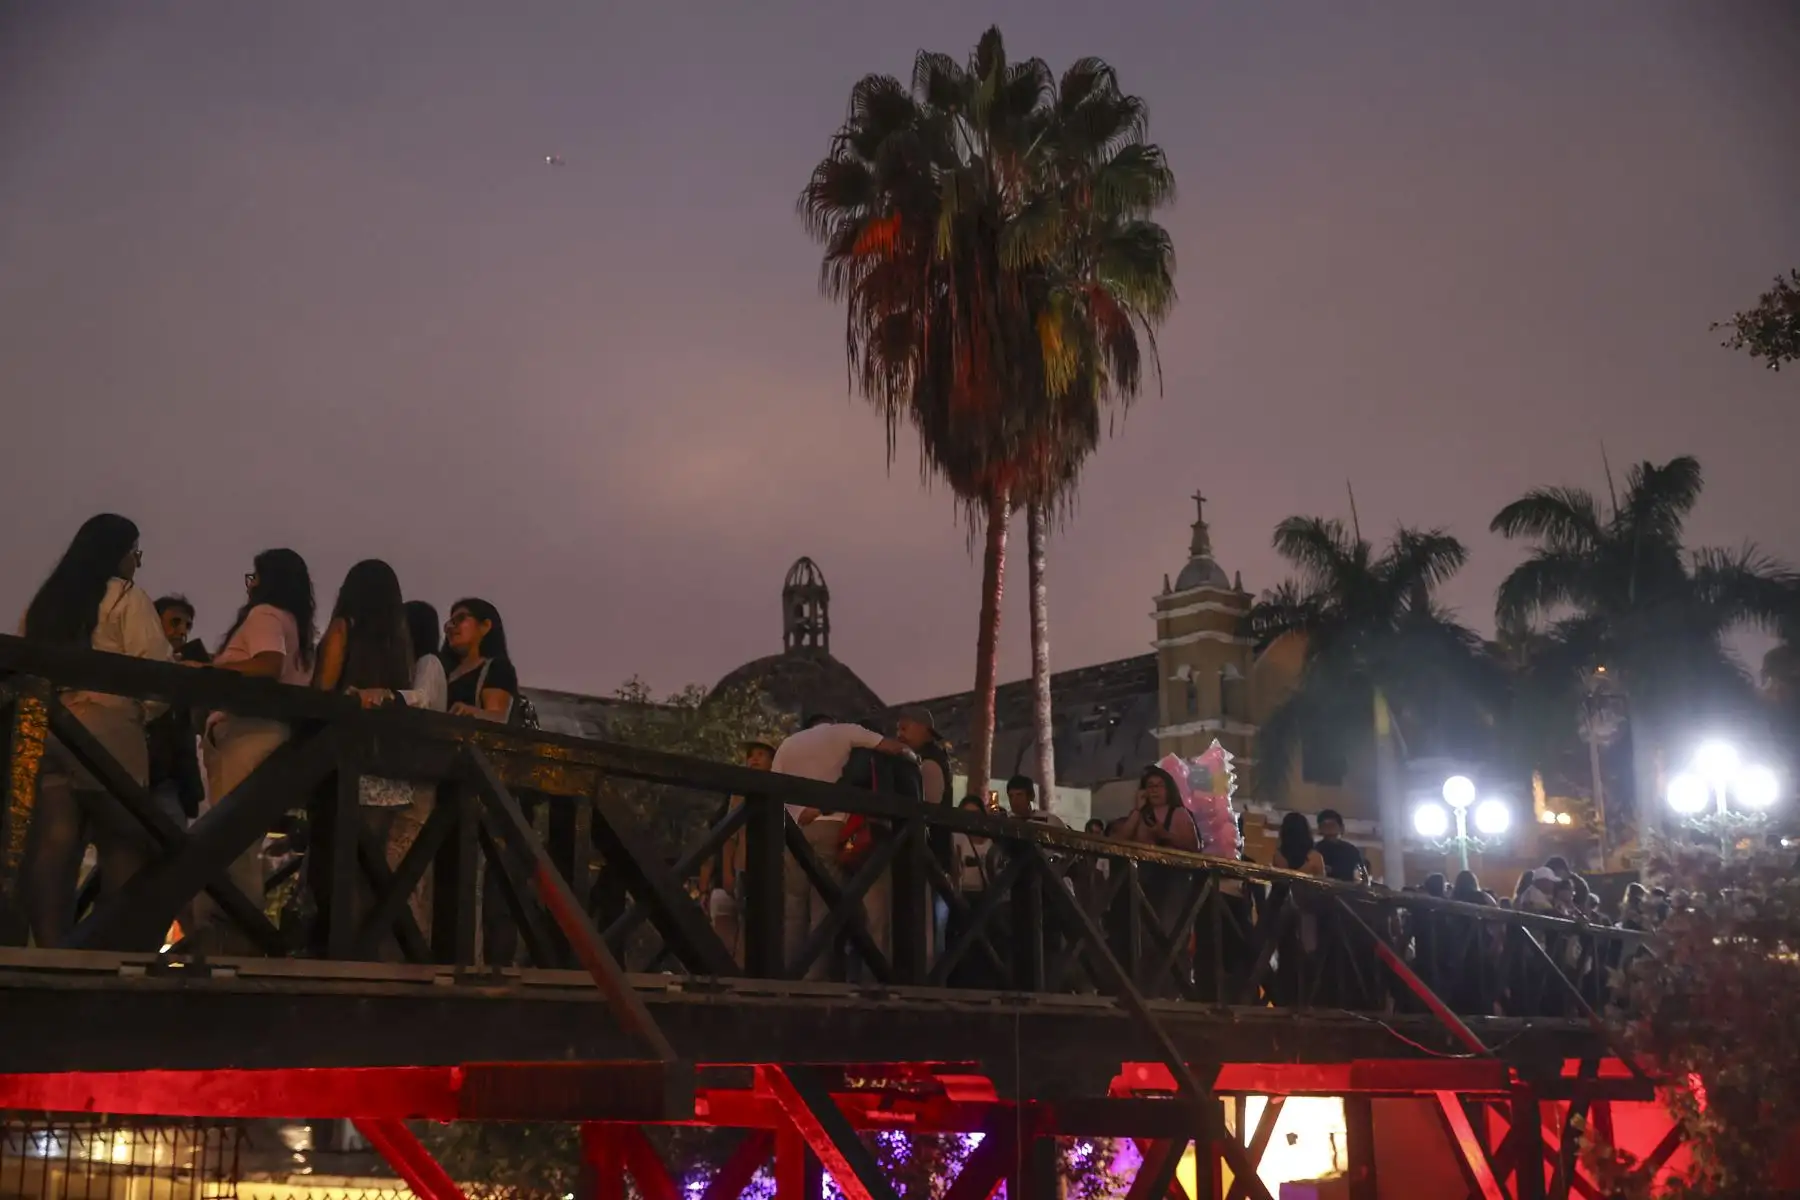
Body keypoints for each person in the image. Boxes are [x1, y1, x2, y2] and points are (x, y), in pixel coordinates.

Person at [18, 514, 172, 946]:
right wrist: (142, 711)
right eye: (135, 552)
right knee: (123, 840)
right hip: (108, 724)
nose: (136, 562)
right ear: (119, 553)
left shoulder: (45, 603)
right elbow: (156, 670)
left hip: (50, 725)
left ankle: (51, 948)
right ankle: (106, 947)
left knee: (54, 842)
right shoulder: (125, 597)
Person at [193, 548, 316, 954]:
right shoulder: (297, 627)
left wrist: (210, 670)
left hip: (247, 734)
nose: (251, 586)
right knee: (240, 838)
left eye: (255, 577)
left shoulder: (265, 615)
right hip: (272, 734)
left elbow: (267, 664)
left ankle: (233, 938)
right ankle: (241, 936)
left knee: (231, 842)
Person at [310, 561, 420, 955]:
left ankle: (339, 959)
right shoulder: (399, 643)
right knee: (372, 875)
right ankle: (368, 958)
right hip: (388, 768)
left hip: (343, 766)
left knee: (335, 871)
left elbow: (321, 695)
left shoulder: (344, 628)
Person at [771, 717, 913, 981]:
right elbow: (890, 747)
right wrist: (911, 753)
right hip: (831, 824)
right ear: (831, 722)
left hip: (792, 829)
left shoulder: (788, 744)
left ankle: (789, 974)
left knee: (793, 908)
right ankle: (815, 978)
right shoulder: (845, 732)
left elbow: (773, 787)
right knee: (823, 908)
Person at [354, 599, 450, 943]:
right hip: (414, 778)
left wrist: (387, 695)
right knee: (395, 867)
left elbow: (421, 697)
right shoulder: (419, 664)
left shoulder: (429, 662)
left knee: (402, 867)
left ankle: (403, 946)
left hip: (420, 782)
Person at [696, 738, 775, 965]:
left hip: (774, 866)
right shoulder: (740, 791)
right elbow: (729, 835)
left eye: (761, 754)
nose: (754, 759)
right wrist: (727, 871)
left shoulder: (780, 787)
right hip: (744, 864)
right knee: (743, 922)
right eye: (751, 755)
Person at [146, 595, 210, 824]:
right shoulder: (136, 661)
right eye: (175, 622)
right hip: (144, 772)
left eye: (187, 625)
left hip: (174, 779)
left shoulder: (187, 667)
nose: (182, 631)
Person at [442, 598, 519, 722]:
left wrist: (470, 712)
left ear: (485, 626)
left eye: (461, 618)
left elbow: (499, 719)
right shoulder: (443, 672)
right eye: (449, 623)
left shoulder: (496, 668)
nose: (451, 627)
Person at [1314, 809, 1367, 883]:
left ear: (1341, 827)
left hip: (1346, 888)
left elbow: (1361, 876)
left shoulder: (1351, 851)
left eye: (1332, 825)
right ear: (1320, 828)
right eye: (1325, 825)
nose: (1328, 828)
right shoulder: (1315, 849)